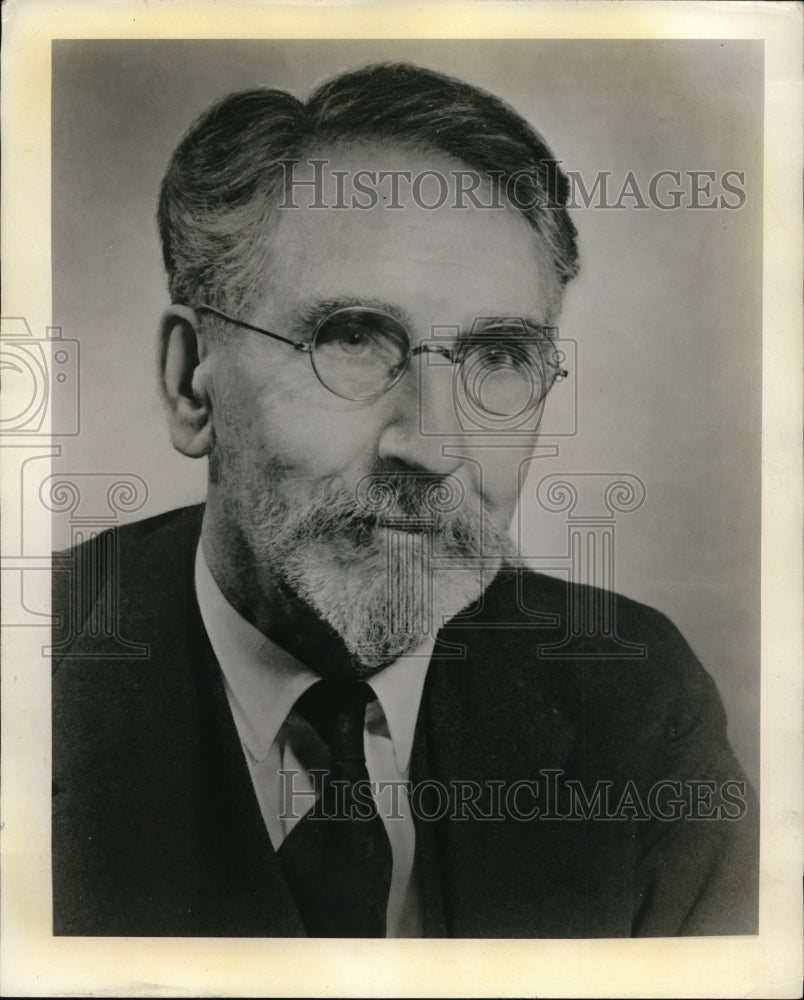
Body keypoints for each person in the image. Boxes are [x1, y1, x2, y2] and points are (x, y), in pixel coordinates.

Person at [51, 62, 758, 938]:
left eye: (499, 355)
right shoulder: (34, 685)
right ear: (193, 384)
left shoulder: (636, 697)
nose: (431, 448)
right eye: (351, 338)